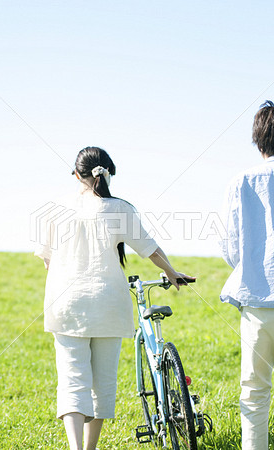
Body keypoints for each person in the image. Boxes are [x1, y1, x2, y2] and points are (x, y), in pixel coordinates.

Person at [35, 146, 193, 450]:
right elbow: (150, 249)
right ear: (107, 174)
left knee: (72, 380)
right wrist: (172, 273)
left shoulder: (55, 208)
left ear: (75, 174)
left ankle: (76, 448)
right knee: (102, 383)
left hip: (65, 303)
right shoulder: (120, 208)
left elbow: (48, 261)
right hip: (108, 302)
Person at [220, 101, 274, 450]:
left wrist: (253, 268)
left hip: (257, 299)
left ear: (258, 142)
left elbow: (230, 246)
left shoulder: (240, 181)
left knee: (255, 391)